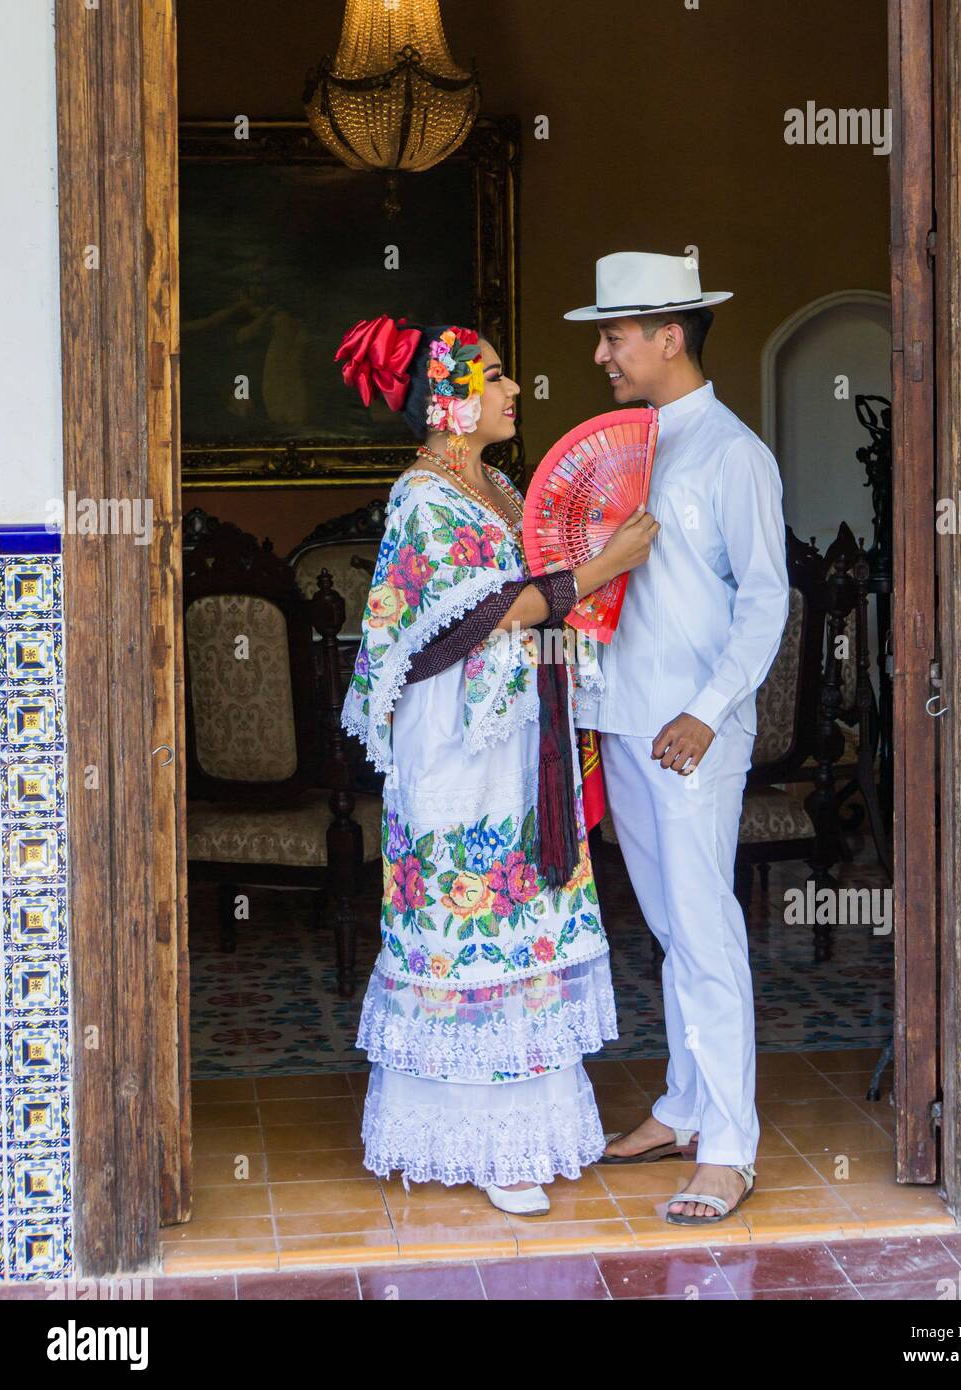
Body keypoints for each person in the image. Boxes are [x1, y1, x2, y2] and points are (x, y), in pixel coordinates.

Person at [336, 314, 658, 1216]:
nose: (513, 389)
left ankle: (523, 1130)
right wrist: (601, 567)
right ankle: (474, 1139)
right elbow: (476, 618)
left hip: (515, 735)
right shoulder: (423, 499)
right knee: (465, 913)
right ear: (449, 399)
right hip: (456, 743)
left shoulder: (500, 489)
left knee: (524, 916)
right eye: (494, 375)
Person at [564, 252, 791, 1225]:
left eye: (613, 337)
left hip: (693, 729)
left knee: (703, 928)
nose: (601, 355)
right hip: (621, 719)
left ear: (668, 336)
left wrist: (707, 709)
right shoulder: (626, 448)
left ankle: (730, 1147)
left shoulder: (732, 452)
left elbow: (766, 597)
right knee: (666, 926)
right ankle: (683, 1106)